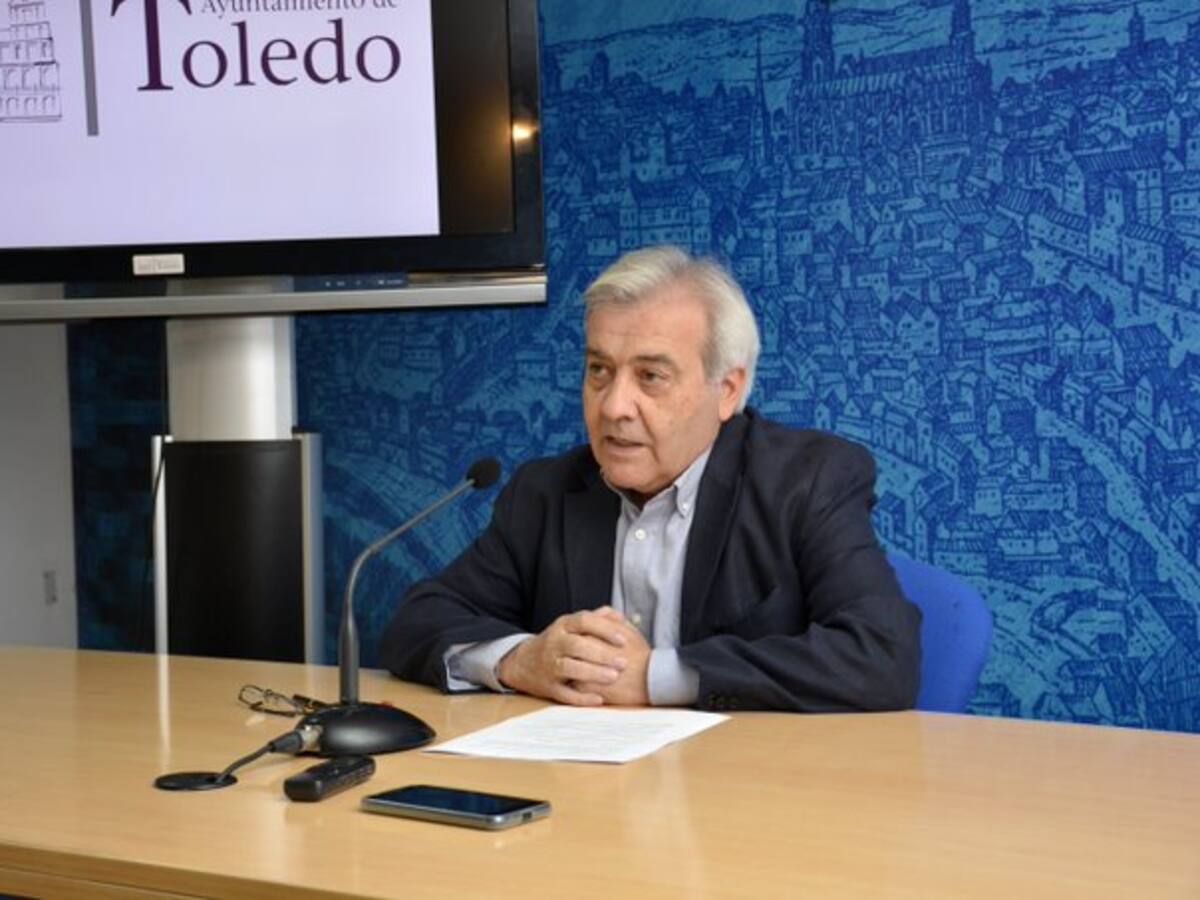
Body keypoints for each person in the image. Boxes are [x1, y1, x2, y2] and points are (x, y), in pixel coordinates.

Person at [379, 246, 921, 712]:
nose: (614, 406)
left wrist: (655, 677)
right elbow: (417, 622)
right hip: (581, 788)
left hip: (747, 786)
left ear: (727, 390)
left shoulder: (807, 481)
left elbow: (882, 655)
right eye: (599, 370)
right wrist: (520, 661)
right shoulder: (546, 492)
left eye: (651, 376)